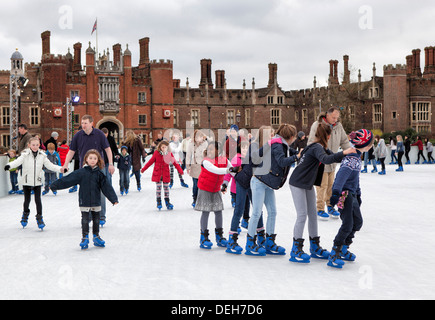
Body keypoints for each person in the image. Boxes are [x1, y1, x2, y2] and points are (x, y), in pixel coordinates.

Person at [288, 124, 355, 263]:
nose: (330, 137)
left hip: (306, 184)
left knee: (312, 214)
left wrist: (348, 156)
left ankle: (314, 246)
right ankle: (296, 249)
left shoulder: (319, 147)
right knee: (302, 215)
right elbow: (326, 160)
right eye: (329, 135)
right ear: (326, 136)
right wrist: (344, 153)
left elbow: (332, 157)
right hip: (297, 183)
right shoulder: (316, 147)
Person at [245, 124, 300, 256]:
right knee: (257, 212)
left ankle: (269, 241)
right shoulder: (277, 145)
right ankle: (250, 243)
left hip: (267, 182)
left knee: (273, 212)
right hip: (259, 181)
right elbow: (282, 161)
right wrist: (297, 157)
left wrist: (301, 152)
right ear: (291, 137)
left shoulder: (281, 144)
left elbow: (289, 152)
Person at [50, 149, 118, 250]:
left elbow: (106, 187)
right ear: (86, 159)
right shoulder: (81, 172)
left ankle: (96, 236)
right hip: (84, 200)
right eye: (90, 158)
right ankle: (85, 237)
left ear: (98, 160)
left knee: (96, 220)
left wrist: (113, 199)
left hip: (96, 200)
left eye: (95, 158)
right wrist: (55, 185)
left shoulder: (99, 173)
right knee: (85, 220)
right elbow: (68, 180)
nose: (92, 160)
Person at [327, 129, 373, 269]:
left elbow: (355, 179)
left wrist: (358, 194)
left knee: (357, 222)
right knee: (347, 224)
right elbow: (340, 177)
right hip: (343, 195)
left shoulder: (356, 157)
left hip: (351, 195)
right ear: (367, 145)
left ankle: (344, 247)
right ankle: (335, 252)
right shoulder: (351, 159)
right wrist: (335, 194)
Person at [61, 115, 115, 226]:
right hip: (84, 168)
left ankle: (101, 216)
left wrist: (110, 164)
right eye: (82, 123)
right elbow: (71, 151)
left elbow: (108, 150)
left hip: (99, 167)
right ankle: (89, 215)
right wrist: (65, 164)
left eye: (85, 123)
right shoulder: (78, 136)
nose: (83, 125)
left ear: (91, 123)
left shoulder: (99, 134)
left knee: (100, 191)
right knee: (86, 192)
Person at [225, 127, 271, 254]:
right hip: (243, 181)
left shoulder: (265, 147)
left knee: (257, 209)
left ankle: (261, 237)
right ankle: (232, 241)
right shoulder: (255, 146)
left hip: (253, 182)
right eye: (269, 134)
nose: (271, 136)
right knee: (239, 209)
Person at [4, 137, 66, 230]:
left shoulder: (42, 155)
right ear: (29, 145)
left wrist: (60, 168)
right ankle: (25, 215)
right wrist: (9, 165)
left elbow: (50, 165)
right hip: (26, 181)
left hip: (37, 181)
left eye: (37, 145)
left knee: (38, 200)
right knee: (27, 200)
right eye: (33, 145)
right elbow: (17, 161)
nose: (35, 147)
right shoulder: (24, 155)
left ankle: (39, 217)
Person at [307, 107, 351, 220]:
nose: (335, 120)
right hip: (320, 162)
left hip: (332, 161)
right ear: (327, 115)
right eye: (333, 117)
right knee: (322, 186)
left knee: (331, 186)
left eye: (337, 118)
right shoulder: (317, 125)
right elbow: (311, 142)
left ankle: (330, 206)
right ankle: (320, 209)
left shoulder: (338, 126)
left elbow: (344, 141)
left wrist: (351, 152)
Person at [195, 141, 238, 250]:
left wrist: (239, 177)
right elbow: (216, 170)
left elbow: (233, 172)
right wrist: (229, 170)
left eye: (212, 149)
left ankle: (219, 236)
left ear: (218, 151)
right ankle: (203, 236)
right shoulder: (205, 161)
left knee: (218, 211)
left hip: (216, 189)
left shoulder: (224, 160)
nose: (209, 151)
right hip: (204, 188)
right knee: (206, 211)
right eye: (208, 149)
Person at [141, 140, 183, 210]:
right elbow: (150, 162)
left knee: (166, 189)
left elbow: (175, 163)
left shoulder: (169, 154)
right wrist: (143, 169)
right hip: (158, 174)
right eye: (162, 147)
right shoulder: (156, 153)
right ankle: (159, 202)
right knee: (158, 188)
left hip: (165, 173)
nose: (163, 149)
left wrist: (180, 170)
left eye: (165, 147)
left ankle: (167, 202)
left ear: (167, 147)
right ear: (160, 147)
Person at [186, 130, 208, 207]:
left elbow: (208, 155)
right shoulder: (191, 144)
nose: (199, 138)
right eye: (197, 137)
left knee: (203, 184)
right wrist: (188, 166)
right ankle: (195, 199)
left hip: (203, 166)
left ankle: (202, 199)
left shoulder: (205, 143)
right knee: (196, 184)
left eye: (200, 137)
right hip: (195, 166)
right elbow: (188, 155)